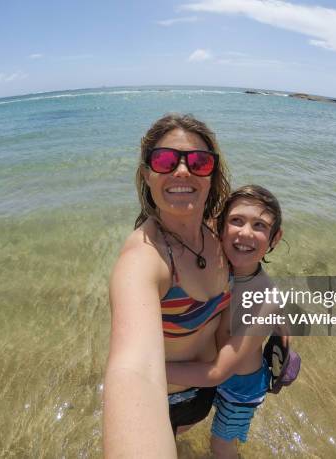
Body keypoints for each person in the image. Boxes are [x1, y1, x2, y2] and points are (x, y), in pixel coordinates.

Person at [103, 114, 231, 457]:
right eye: (164, 160)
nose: (182, 171)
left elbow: (253, 278)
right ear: (147, 174)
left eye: (199, 162)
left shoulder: (220, 233)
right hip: (169, 398)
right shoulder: (145, 259)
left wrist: (279, 323)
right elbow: (134, 371)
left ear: (212, 175)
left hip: (212, 388)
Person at [166, 185, 288, 458]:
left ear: (275, 238)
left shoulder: (264, 298)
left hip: (240, 390)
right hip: (218, 375)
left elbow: (218, 372)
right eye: (236, 220)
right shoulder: (222, 264)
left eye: (260, 225)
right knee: (180, 427)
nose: (245, 233)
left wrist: (154, 371)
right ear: (220, 227)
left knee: (222, 446)